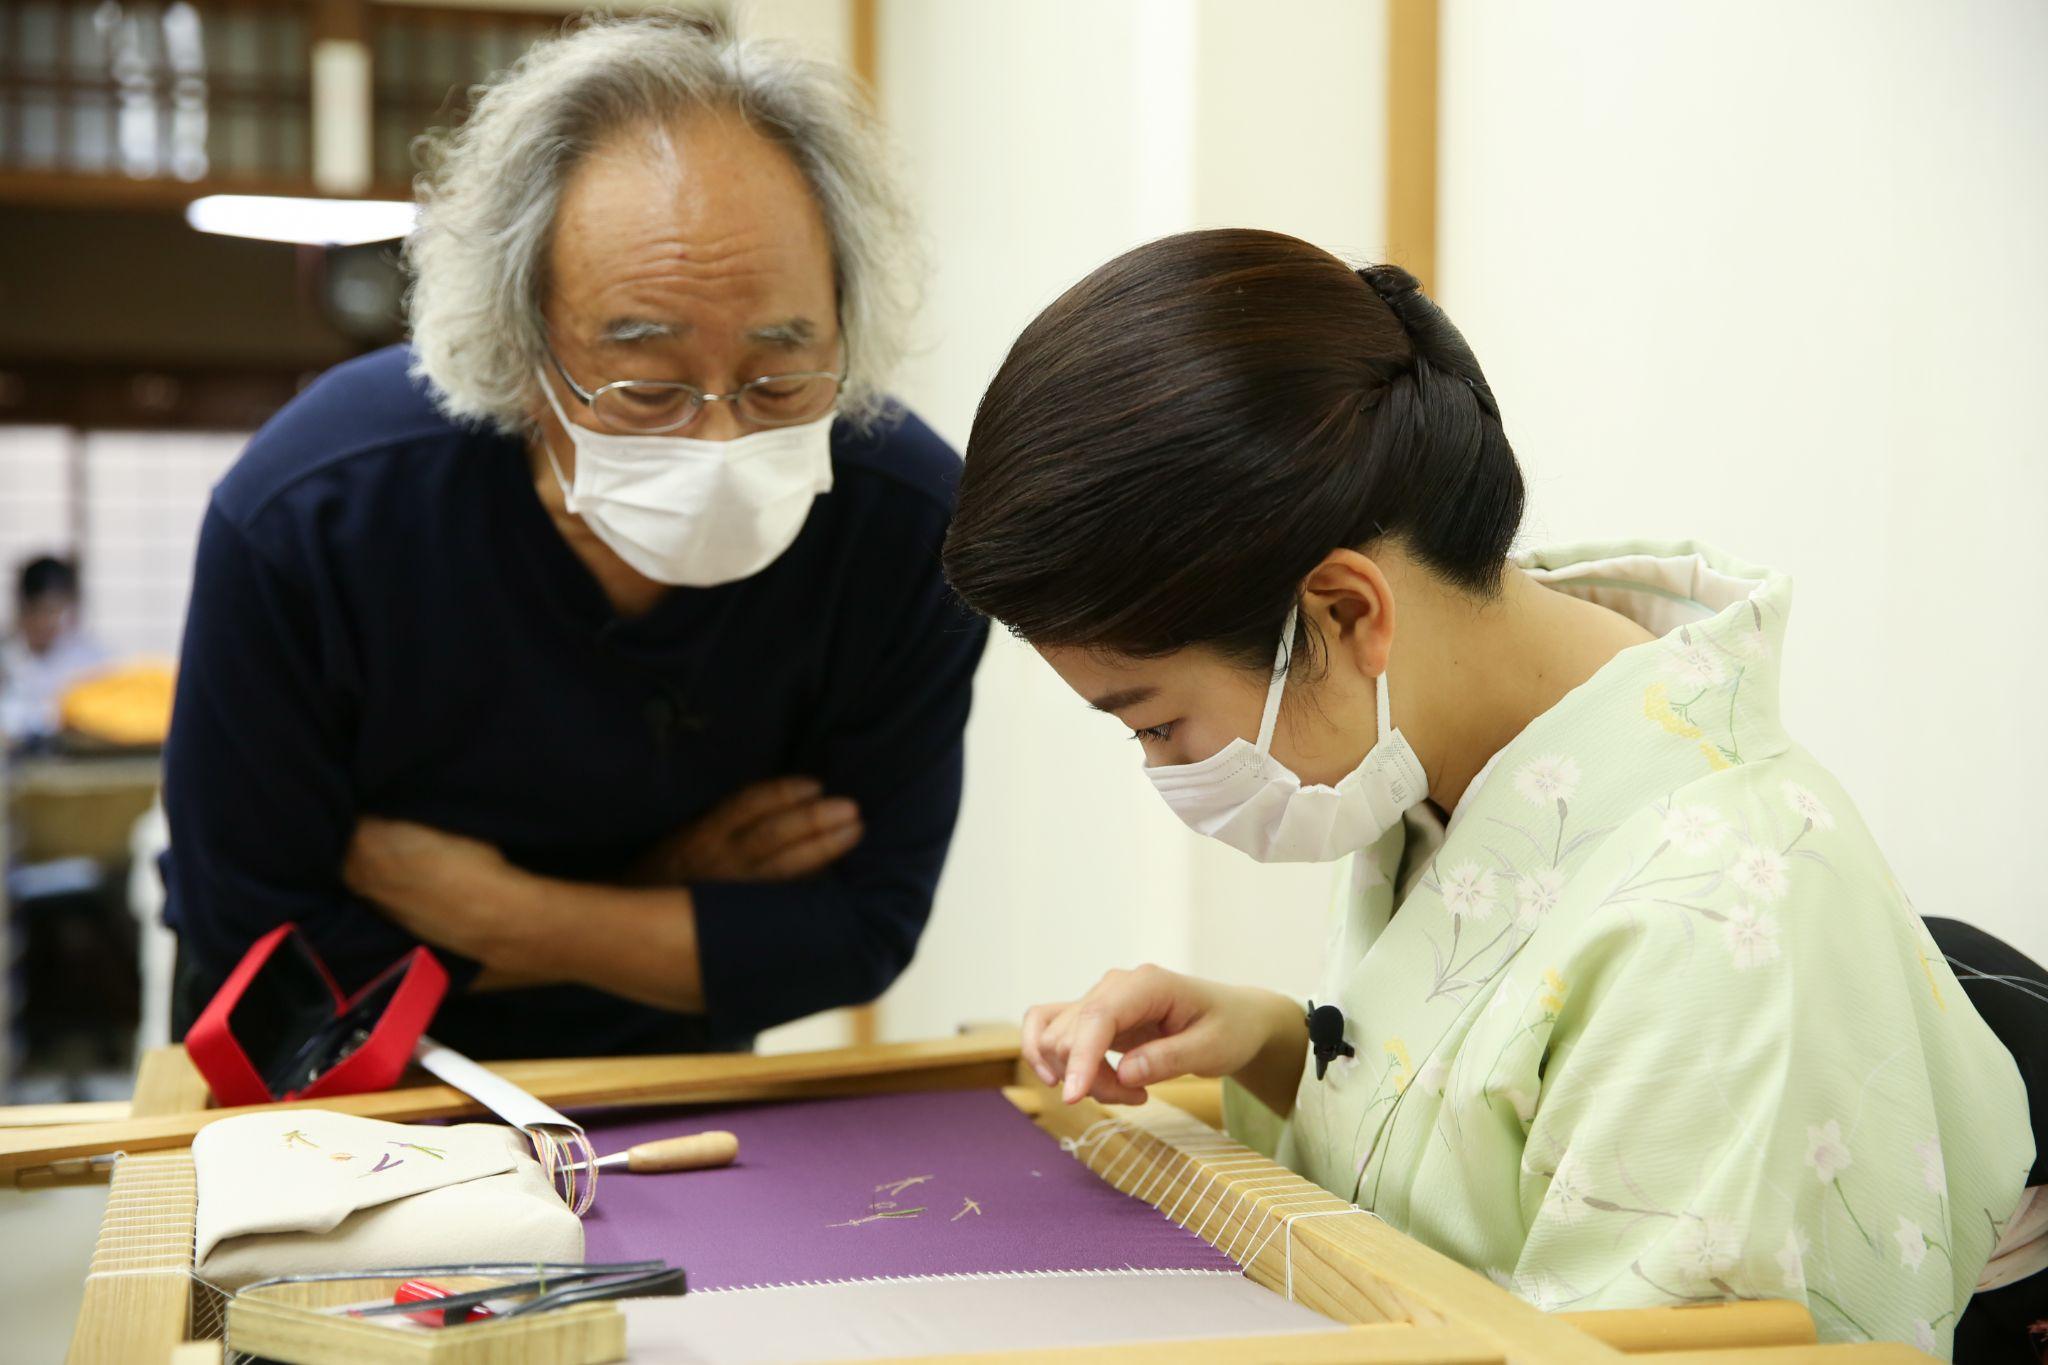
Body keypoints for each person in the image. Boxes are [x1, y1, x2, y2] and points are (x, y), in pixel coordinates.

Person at [941, 228, 2038, 1357]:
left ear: (1345, 613)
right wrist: (1270, 1043)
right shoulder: (1454, 766)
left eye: (1159, 722)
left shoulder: (1716, 916)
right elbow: (1474, 1139)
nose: (1166, 772)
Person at [161, 12, 986, 1059]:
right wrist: (663, 896)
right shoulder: (311, 515)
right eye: (648, 389)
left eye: (781, 378)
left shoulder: (906, 525)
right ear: (520, 359)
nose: (722, 433)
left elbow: (855, 935)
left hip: (671, 1085)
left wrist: (500, 909)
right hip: (323, 1090)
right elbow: (268, 953)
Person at [1, 555, 111, 745]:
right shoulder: (7, 656)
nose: (44, 621)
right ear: (22, 608)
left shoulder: (91, 658)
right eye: (36, 610)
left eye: (52, 611)